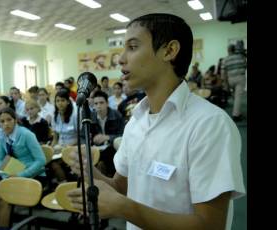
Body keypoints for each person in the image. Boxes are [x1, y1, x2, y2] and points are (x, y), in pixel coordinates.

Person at [67, 13, 245, 230]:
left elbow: (210, 225)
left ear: (169, 51)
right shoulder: (136, 122)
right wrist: (93, 175)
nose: (120, 59)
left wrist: (125, 208)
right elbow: (121, 188)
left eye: (132, 47)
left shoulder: (209, 124)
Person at [0, 108, 46, 228]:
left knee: (3, 200)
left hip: (32, 175)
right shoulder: (2, 135)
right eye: (2, 121)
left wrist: (21, 175)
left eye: (9, 120)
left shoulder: (26, 134)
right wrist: (5, 175)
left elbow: (41, 160)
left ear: (15, 120)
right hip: (11, 174)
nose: (6, 124)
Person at [84, 90, 124, 177]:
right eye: (96, 103)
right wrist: (91, 139)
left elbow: (123, 136)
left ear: (107, 103)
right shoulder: (90, 117)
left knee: (106, 156)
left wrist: (108, 137)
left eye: (101, 103)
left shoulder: (117, 115)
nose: (99, 106)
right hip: (96, 148)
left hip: (112, 148)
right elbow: (83, 136)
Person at [222, 44, 247, 122]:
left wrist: (225, 84)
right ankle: (236, 115)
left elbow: (223, 72)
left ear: (228, 50)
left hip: (230, 79)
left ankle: (236, 111)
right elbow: (245, 66)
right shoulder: (241, 57)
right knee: (238, 97)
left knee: (235, 96)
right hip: (240, 78)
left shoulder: (225, 59)